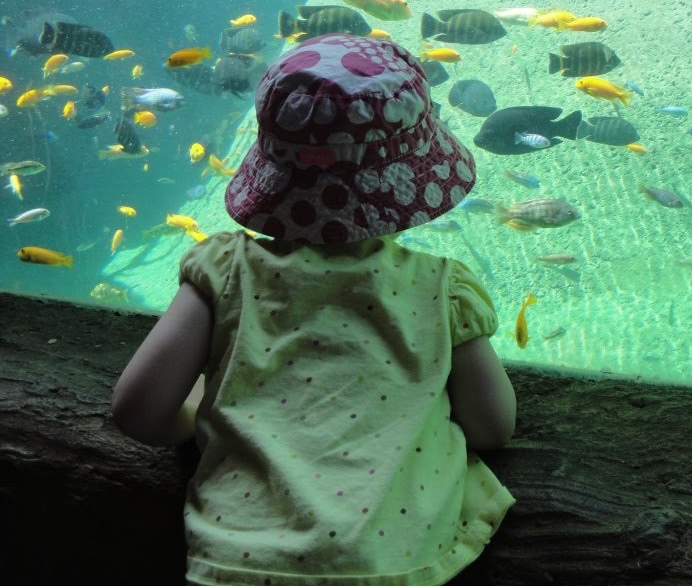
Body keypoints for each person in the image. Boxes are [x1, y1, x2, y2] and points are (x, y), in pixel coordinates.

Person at [112, 33, 517, 585]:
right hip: (394, 562)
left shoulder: (224, 269)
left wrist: (200, 414)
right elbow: (492, 427)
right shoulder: (440, 287)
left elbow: (137, 411)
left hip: (237, 559)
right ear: (407, 181)